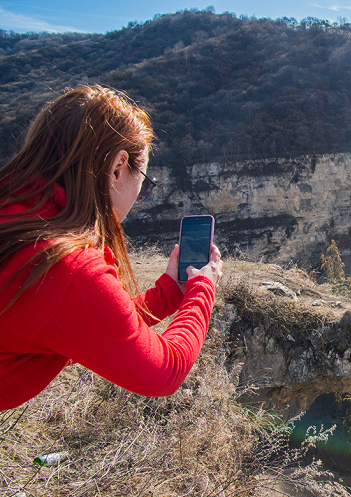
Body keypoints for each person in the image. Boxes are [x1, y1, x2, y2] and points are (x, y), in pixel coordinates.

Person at [0, 85, 223, 411]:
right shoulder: (62, 263)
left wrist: (169, 292)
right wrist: (202, 289)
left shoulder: (19, 214)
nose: (139, 196)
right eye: (144, 182)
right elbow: (162, 372)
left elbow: (95, 323)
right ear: (118, 168)